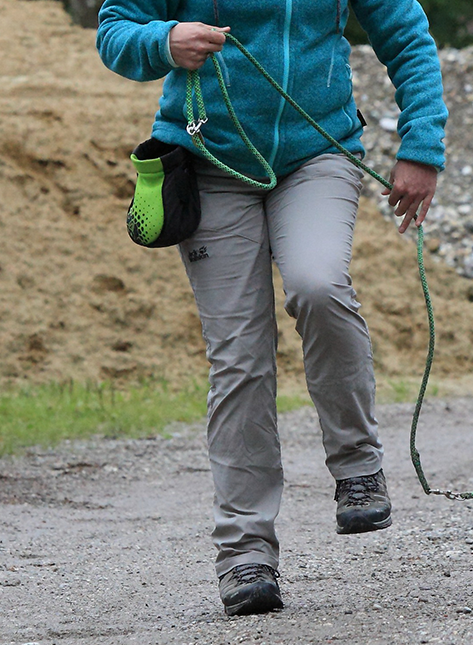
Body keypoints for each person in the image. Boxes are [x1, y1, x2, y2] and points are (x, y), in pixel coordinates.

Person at [96, 0, 447, 616]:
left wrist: (423, 144)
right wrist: (165, 40)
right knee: (240, 357)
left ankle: (358, 462)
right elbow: (115, 29)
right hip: (209, 163)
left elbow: (408, 36)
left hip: (317, 155)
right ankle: (245, 555)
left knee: (318, 284)